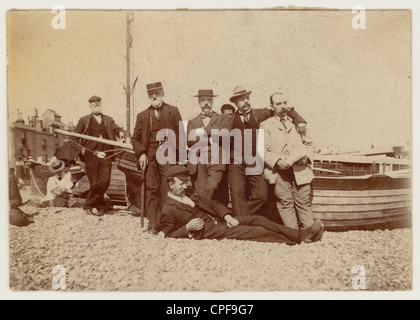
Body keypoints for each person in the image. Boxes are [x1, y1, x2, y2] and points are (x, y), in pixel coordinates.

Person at [160, 165, 324, 244]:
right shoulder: (168, 209)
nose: (184, 185)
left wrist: (227, 215)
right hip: (213, 230)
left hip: (222, 221)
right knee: (256, 231)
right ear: (170, 184)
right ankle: (295, 240)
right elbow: (169, 234)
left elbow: (212, 204)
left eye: (185, 182)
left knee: (259, 219)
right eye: (180, 183)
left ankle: (298, 234)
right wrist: (187, 228)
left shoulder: (189, 193)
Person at [132, 82, 184, 234]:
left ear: (163, 93)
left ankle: (167, 221)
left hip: (169, 154)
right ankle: (153, 223)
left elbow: (181, 135)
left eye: (157, 93)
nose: (154, 96)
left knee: (167, 188)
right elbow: (136, 138)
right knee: (152, 188)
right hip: (150, 156)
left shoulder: (172, 111)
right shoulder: (142, 115)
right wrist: (141, 153)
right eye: (151, 94)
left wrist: (181, 157)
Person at [261, 92, 315, 229]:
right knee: (285, 201)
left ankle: (308, 232)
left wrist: (306, 158)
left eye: (285, 102)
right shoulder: (265, 125)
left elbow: (310, 144)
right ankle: (293, 234)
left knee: (303, 200)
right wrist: (277, 161)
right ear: (271, 106)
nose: (283, 106)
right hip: (279, 170)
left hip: (300, 169)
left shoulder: (298, 123)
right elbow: (262, 150)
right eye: (278, 103)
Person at [73, 95, 124, 216]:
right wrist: (83, 151)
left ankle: (88, 204)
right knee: (94, 182)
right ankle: (100, 206)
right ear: (89, 105)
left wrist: (121, 132)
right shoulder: (83, 120)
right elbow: (73, 138)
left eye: (98, 102)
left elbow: (117, 129)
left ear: (101, 104)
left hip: (106, 154)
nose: (96, 104)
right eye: (93, 103)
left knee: (105, 181)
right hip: (91, 155)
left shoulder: (108, 119)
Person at [187, 90, 231, 200]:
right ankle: (205, 215)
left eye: (208, 100)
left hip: (216, 157)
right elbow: (189, 140)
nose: (206, 103)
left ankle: (202, 207)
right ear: (199, 102)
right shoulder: (193, 121)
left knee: (213, 185)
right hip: (198, 158)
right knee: (200, 188)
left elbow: (225, 133)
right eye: (203, 100)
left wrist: (202, 131)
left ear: (212, 101)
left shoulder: (222, 117)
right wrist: (212, 137)